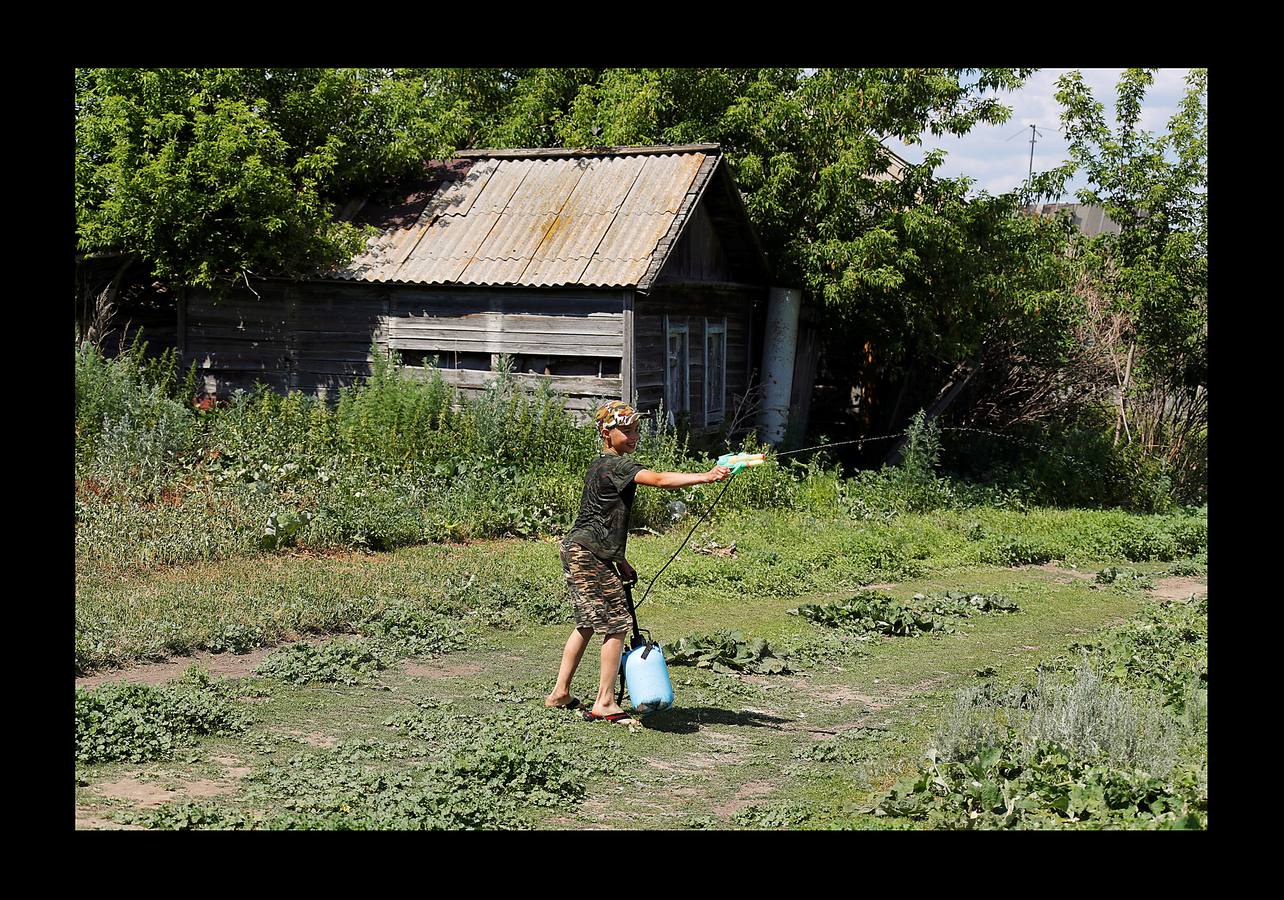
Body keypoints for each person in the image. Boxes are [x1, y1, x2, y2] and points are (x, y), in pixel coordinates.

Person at [545, 401, 731, 725]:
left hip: (581, 549)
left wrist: (620, 559)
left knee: (587, 624)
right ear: (606, 433)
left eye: (636, 430)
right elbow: (658, 480)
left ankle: (560, 692)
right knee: (617, 623)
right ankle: (604, 702)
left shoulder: (600, 465)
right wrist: (707, 476)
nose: (633, 436)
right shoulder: (618, 465)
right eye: (626, 431)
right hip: (588, 553)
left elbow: (599, 518)